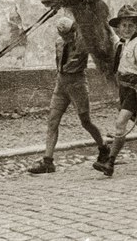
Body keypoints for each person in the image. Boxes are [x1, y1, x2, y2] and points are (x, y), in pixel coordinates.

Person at [28, 17, 110, 174]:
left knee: (85, 122)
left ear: (74, 30)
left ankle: (104, 148)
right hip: (61, 85)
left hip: (78, 84)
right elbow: (59, 63)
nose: (66, 38)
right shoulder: (59, 43)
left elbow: (101, 49)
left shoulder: (84, 42)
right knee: (52, 121)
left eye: (68, 35)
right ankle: (48, 161)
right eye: (63, 35)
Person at [92, 4, 137, 176]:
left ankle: (110, 163)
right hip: (123, 89)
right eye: (124, 25)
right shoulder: (120, 45)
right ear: (118, 28)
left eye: (131, 25)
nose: (127, 28)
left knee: (120, 123)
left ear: (136, 27)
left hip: (134, 89)